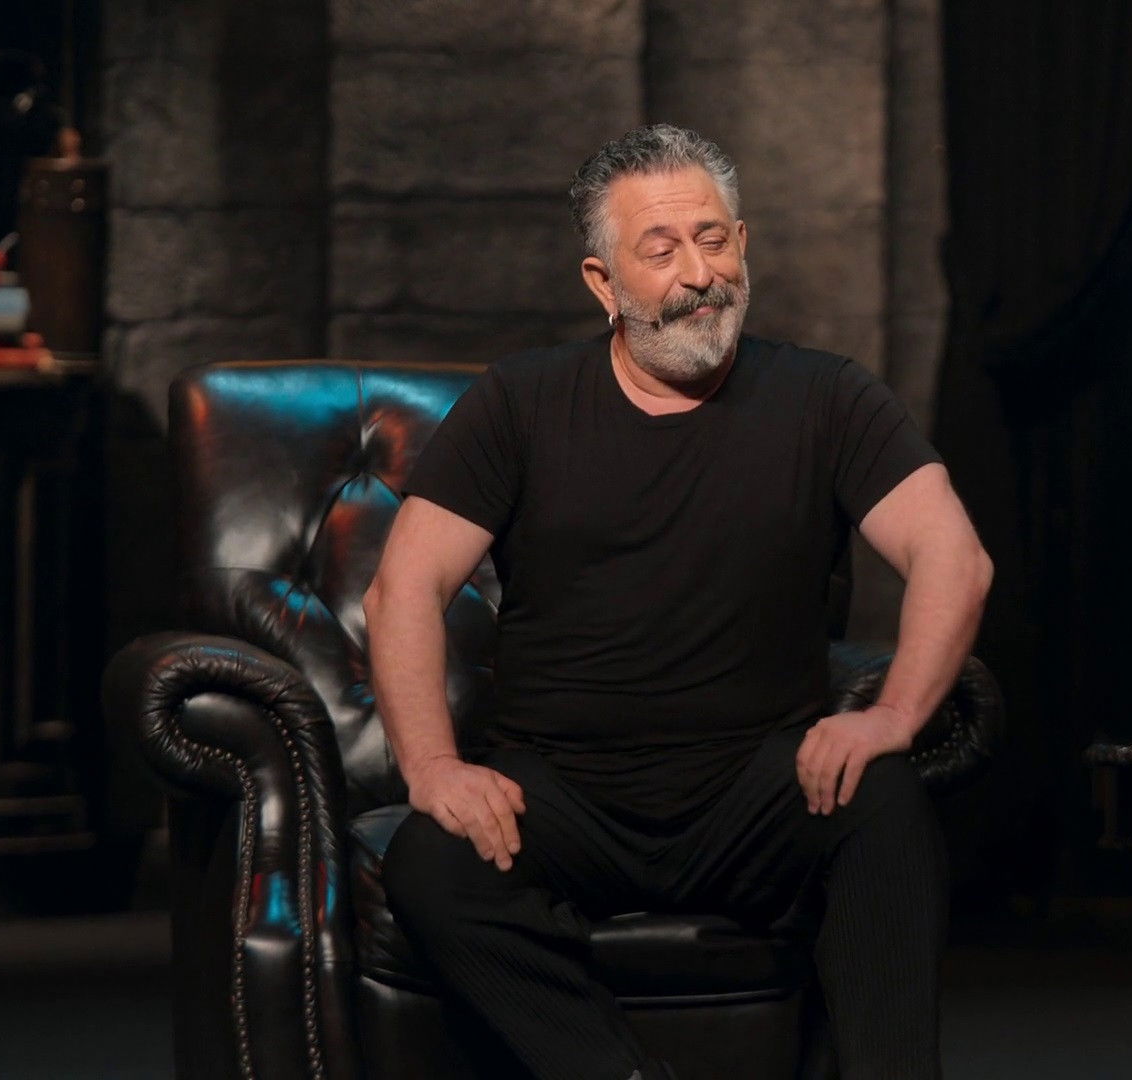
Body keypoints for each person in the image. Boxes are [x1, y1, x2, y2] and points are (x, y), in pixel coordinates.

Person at [366, 124, 991, 1080]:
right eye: (660, 251)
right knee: (430, 863)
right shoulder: (521, 403)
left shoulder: (828, 397)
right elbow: (403, 587)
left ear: (743, 244)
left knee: (887, 808)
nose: (698, 275)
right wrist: (433, 766)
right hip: (564, 789)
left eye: (713, 240)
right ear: (603, 283)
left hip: (760, 786)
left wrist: (894, 716)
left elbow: (954, 555)